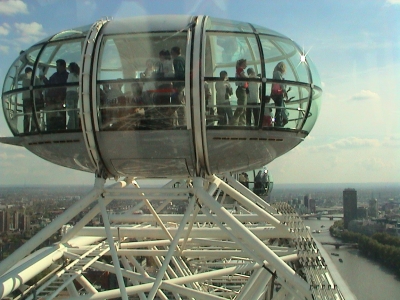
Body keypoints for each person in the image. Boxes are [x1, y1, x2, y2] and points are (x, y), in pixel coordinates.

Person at [40, 59, 69, 130]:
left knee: (61, 117)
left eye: (58, 66)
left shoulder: (67, 76)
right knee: (52, 117)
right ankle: (51, 128)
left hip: (61, 100)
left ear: (63, 66)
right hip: (53, 100)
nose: (56, 67)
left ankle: (61, 129)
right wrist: (44, 79)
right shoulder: (55, 76)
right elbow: (49, 84)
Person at [230, 59, 248, 126]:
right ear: (242, 64)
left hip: (243, 89)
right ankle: (234, 122)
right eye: (245, 63)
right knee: (241, 107)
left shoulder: (240, 70)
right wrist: (250, 77)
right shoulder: (240, 70)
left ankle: (241, 123)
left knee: (243, 108)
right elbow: (244, 77)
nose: (246, 65)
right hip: (241, 89)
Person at [271, 62, 289, 127]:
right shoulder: (277, 73)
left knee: (279, 109)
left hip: (275, 93)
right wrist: (284, 91)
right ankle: (278, 124)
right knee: (279, 109)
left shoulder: (275, 73)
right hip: (278, 94)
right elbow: (280, 82)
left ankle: (279, 123)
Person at [171, 46, 186, 126]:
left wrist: (174, 80)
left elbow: (179, 73)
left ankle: (180, 123)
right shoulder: (183, 59)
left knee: (178, 104)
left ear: (174, 52)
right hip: (182, 85)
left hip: (178, 85)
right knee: (180, 103)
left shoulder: (177, 60)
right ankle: (181, 122)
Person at [66, 62, 80, 130]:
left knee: (71, 111)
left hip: (70, 93)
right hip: (75, 93)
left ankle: (71, 127)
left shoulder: (70, 75)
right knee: (74, 111)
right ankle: (76, 126)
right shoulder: (77, 75)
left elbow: (68, 84)